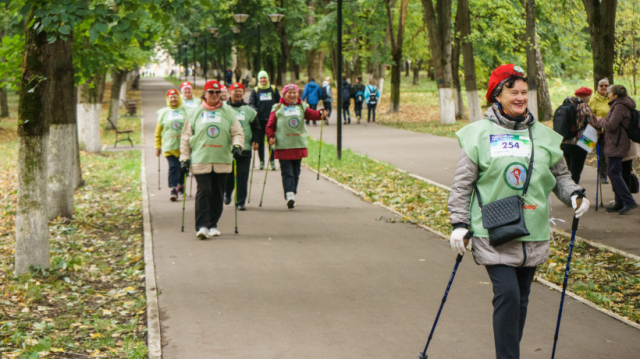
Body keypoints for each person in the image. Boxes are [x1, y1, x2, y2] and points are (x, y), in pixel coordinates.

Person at [447, 64, 589, 359]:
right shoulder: (479, 134)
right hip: (492, 231)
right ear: (497, 95)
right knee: (508, 296)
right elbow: (462, 185)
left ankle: (509, 352)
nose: (521, 97)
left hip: (533, 230)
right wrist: (459, 223)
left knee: (521, 299)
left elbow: (560, 177)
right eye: (513, 92)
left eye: (525, 92)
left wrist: (575, 194)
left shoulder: (544, 136)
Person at [180, 80, 245, 239]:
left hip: (222, 159)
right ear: (205, 93)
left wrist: (237, 146)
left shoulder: (228, 112)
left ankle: (213, 224)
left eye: (217, 92)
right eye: (211, 92)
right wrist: (184, 158)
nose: (214, 95)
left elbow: (237, 133)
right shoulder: (195, 112)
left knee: (217, 193)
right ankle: (202, 226)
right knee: (203, 191)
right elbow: (186, 137)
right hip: (201, 158)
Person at [265, 84, 328, 208]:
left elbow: (314, 115)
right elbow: (270, 125)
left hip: (298, 144)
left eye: (295, 92)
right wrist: (271, 136)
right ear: (284, 94)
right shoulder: (277, 107)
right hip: (283, 144)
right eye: (289, 93)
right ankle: (289, 195)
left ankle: (292, 192)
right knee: (287, 171)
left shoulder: (302, 106)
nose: (292, 95)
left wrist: (321, 113)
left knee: (296, 171)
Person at [597, 84, 638, 214]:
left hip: (618, 143)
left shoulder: (619, 106)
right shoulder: (619, 105)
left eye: (610, 92)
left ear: (615, 95)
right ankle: (620, 202)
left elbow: (611, 125)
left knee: (613, 172)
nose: (608, 94)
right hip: (616, 142)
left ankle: (628, 201)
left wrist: (599, 121)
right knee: (616, 171)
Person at [224, 83, 260, 211]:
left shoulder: (249, 111)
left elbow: (256, 128)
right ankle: (227, 192)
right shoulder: (224, 108)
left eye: (240, 91)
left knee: (242, 176)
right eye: (235, 91)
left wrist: (256, 140)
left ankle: (240, 202)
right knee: (228, 174)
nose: (238, 93)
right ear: (230, 92)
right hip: (227, 148)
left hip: (244, 148)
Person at [559, 86, 600, 184]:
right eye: (589, 97)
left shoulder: (566, 104)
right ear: (585, 97)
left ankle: (569, 191)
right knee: (576, 172)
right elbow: (594, 123)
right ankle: (574, 194)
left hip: (565, 141)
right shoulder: (584, 106)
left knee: (569, 169)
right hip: (580, 143)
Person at [155, 89, 189, 201]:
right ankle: (173, 189)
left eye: (175, 97)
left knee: (183, 167)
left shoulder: (186, 111)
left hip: (183, 146)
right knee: (174, 167)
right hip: (169, 147)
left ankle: (181, 184)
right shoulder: (163, 112)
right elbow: (158, 132)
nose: (173, 99)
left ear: (178, 98)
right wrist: (157, 146)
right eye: (171, 97)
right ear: (168, 99)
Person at [249, 71, 280, 171]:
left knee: (271, 140)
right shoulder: (255, 90)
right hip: (259, 120)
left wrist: (277, 111)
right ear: (258, 79)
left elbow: (279, 102)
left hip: (271, 120)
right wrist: (254, 109)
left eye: (264, 78)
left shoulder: (273, 89)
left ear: (267, 79)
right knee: (260, 141)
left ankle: (272, 161)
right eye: (261, 78)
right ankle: (261, 161)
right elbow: (251, 103)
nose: (263, 80)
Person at [589, 77, 610, 184]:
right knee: (602, 153)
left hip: (611, 130)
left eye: (606, 85)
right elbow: (590, 116)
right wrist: (595, 128)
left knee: (609, 153)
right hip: (599, 132)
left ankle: (606, 172)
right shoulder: (594, 99)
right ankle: (603, 175)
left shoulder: (610, 98)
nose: (604, 88)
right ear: (598, 87)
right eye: (601, 86)